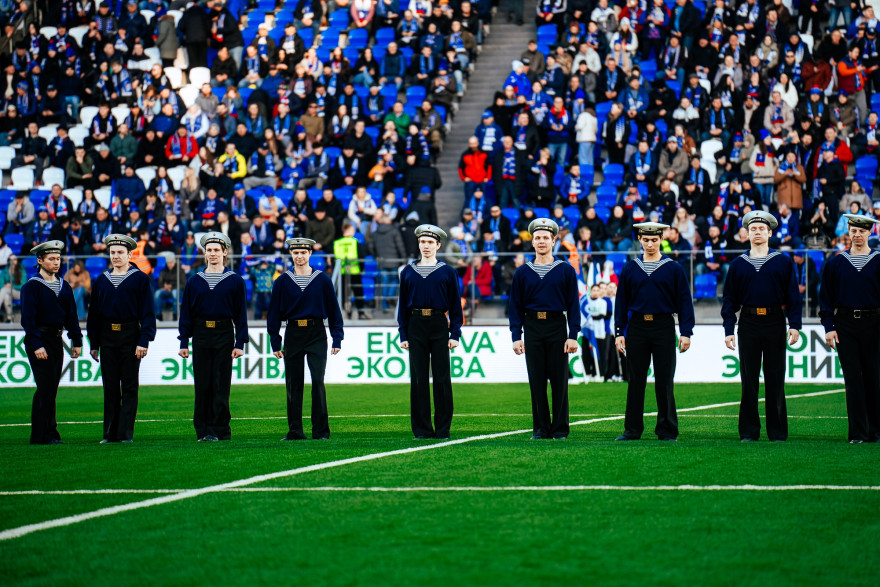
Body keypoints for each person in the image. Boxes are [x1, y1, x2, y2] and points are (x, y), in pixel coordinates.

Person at [722, 211, 802, 442]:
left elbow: (793, 297)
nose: (757, 232)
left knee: (775, 377)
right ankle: (749, 431)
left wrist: (794, 324)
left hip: (775, 320)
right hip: (748, 322)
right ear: (747, 234)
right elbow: (729, 300)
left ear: (769, 233)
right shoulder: (738, 264)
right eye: (753, 229)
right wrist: (729, 329)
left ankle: (777, 432)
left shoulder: (782, 261)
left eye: (761, 229)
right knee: (748, 379)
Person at [614, 222, 695, 442]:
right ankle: (632, 430)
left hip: (664, 326)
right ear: (640, 240)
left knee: (664, 380)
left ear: (661, 240)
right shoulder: (630, 268)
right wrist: (619, 332)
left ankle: (667, 430)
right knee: (635, 381)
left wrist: (686, 331)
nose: (650, 244)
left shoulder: (674, 268)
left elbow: (685, 301)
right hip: (637, 327)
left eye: (654, 240)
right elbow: (621, 302)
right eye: (646, 240)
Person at [509, 218, 580, 440]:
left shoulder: (566, 270)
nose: (541, 241)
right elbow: (515, 307)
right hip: (532, 327)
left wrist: (573, 335)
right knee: (536, 381)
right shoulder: (522, 272)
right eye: (537, 238)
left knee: (559, 381)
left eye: (546, 238)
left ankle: (560, 429)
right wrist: (516, 336)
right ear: (532, 242)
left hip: (557, 326)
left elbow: (574, 305)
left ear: (553, 240)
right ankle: (540, 428)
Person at [267, 238, 345, 441]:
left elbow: (334, 311)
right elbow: (273, 314)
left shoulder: (322, 279)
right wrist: (275, 341)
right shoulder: (282, 281)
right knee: (293, 383)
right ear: (291, 255)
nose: (299, 256)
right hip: (293, 333)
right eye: (296, 253)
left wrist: (337, 337)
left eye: (303, 252)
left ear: (310, 253)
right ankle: (295, 431)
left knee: (318, 381)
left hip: (316, 332)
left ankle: (321, 431)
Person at [178, 233, 248, 442]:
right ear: (205, 253)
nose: (213, 253)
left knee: (221, 383)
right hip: (200, 334)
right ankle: (203, 430)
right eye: (209, 250)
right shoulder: (194, 281)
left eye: (217, 250)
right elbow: (186, 314)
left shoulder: (235, 281)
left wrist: (240, 342)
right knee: (202, 384)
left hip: (224, 333)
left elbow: (241, 315)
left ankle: (220, 430)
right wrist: (184, 341)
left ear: (225, 252)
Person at [86, 234, 157, 443]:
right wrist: (94, 343)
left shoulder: (141, 279)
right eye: (112, 252)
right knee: (109, 386)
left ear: (130, 254)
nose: (115, 256)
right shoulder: (101, 280)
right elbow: (93, 315)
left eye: (120, 252)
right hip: (107, 337)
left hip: (130, 336)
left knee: (129, 386)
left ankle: (125, 433)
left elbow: (148, 313)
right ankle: (109, 433)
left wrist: (144, 340)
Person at [397, 224, 464, 440]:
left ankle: (443, 429)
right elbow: (402, 306)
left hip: (438, 324)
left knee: (442, 378)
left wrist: (455, 333)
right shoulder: (408, 272)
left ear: (438, 245)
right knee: (418, 379)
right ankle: (422, 429)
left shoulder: (448, 272)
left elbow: (455, 306)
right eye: (422, 242)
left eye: (430, 242)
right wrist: (403, 334)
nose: (426, 246)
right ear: (418, 244)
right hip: (415, 324)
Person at [819, 214, 880, 444]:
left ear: (870, 233)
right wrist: (829, 327)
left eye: (862, 231)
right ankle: (857, 433)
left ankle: (876, 431)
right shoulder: (836, 263)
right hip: (845, 325)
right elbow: (825, 299)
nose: (857, 235)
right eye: (853, 231)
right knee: (853, 379)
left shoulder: (878, 260)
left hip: (875, 324)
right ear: (848, 232)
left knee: (875, 378)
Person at [20, 240, 83, 445]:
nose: (56, 262)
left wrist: (76, 340)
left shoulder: (64, 286)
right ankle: (41, 435)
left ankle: (49, 432)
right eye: (51, 259)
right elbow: (28, 320)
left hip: (56, 340)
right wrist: (36, 344)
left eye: (58, 258)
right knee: (45, 386)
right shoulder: (31, 286)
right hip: (40, 339)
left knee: (52, 387)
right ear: (40, 260)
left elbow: (71, 316)